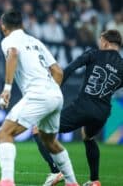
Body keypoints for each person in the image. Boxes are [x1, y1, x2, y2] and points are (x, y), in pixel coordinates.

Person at [0, 9, 79, 186]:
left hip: (37, 94)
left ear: (3, 27)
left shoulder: (9, 40)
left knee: (4, 134)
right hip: (55, 95)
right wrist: (50, 92)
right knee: (50, 141)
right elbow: (58, 71)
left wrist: (7, 88)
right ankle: (72, 183)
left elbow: (13, 54)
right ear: (22, 25)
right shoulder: (35, 41)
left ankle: (7, 181)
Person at [34, 29, 123, 186]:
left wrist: (54, 89)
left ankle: (56, 171)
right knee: (88, 137)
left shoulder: (94, 54)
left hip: (83, 106)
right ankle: (95, 180)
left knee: (38, 130)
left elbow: (69, 69)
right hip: (102, 112)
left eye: (100, 41)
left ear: (105, 42)